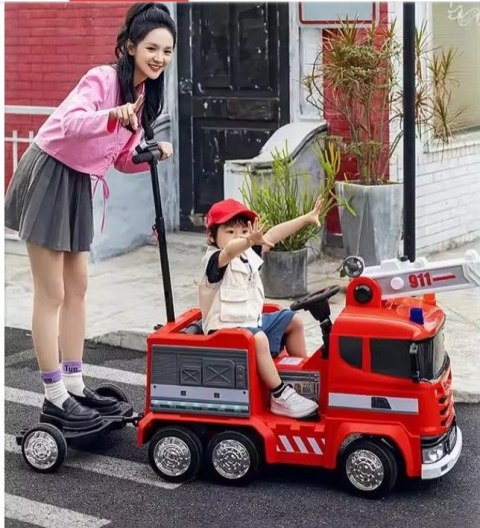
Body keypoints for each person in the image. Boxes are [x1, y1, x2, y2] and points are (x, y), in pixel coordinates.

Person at [4, 3, 176, 427]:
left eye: (167, 51)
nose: (159, 58)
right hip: (50, 173)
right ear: (131, 47)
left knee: (77, 287)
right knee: (52, 292)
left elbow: (119, 159)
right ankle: (54, 396)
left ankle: (75, 384)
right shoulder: (101, 80)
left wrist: (151, 154)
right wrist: (110, 115)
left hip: (79, 182)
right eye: (152, 48)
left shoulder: (142, 98)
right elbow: (69, 124)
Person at [198, 197, 324, 419]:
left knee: (293, 320)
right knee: (258, 339)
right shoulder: (215, 260)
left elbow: (273, 235)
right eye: (230, 231)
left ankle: (302, 381)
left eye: (244, 230)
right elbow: (230, 251)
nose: (239, 236)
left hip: (251, 325)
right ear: (211, 236)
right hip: (223, 333)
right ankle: (280, 395)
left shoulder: (248, 255)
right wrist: (248, 240)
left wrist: (306, 219)